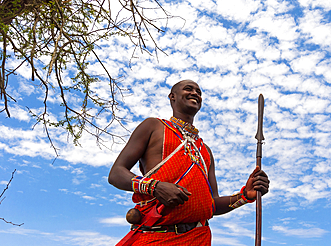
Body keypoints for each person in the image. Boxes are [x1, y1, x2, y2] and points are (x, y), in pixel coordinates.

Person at [108, 79, 270, 245]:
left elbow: (212, 205)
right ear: (172, 97)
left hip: (198, 238)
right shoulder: (154, 126)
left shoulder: (205, 150)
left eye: (199, 92)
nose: (195, 94)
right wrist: (155, 187)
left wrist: (245, 196)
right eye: (188, 89)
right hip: (155, 236)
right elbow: (116, 174)